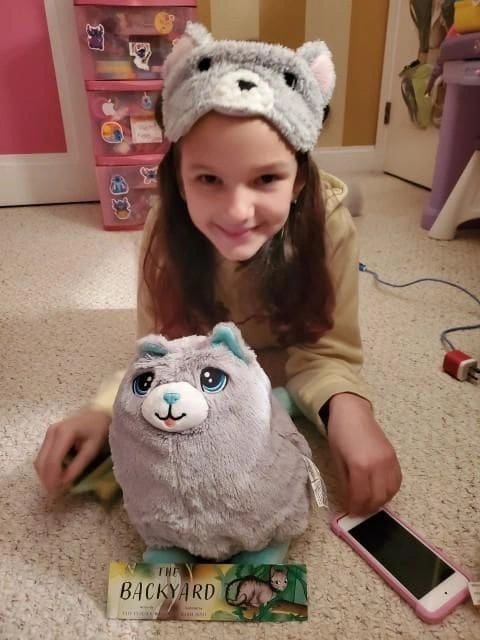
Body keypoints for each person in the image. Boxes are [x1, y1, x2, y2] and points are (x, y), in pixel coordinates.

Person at [35, 23, 401, 521]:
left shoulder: (327, 224)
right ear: (180, 182)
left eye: (266, 178)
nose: (236, 212)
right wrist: (104, 408)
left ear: (297, 182)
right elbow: (163, 348)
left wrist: (348, 409)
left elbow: (326, 351)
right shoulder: (165, 227)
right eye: (209, 179)